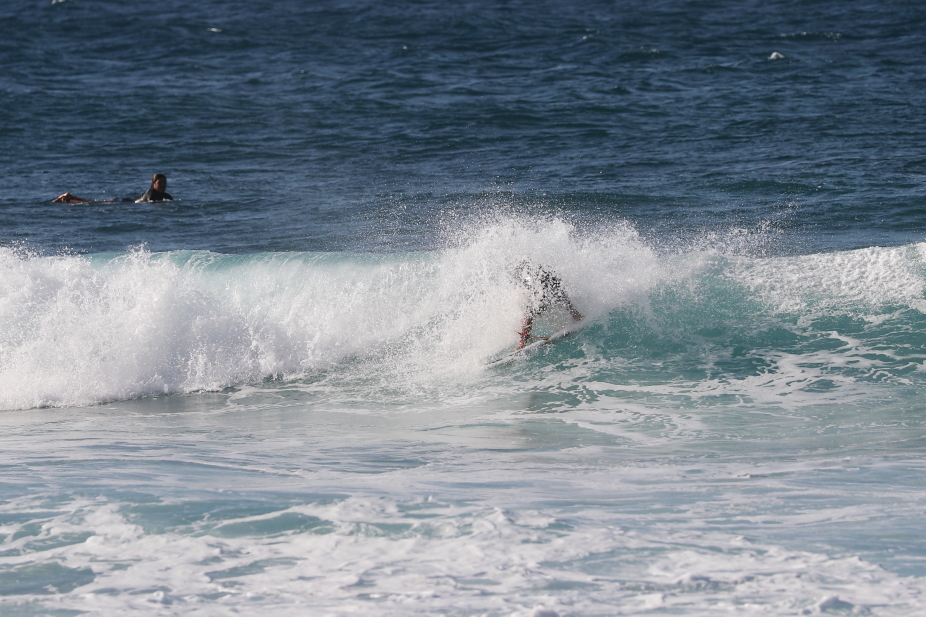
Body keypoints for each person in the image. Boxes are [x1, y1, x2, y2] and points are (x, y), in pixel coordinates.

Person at [514, 260, 583, 349]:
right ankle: (577, 316)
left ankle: (523, 340)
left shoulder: (537, 277)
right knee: (530, 308)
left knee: (531, 311)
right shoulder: (528, 276)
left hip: (548, 287)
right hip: (547, 287)